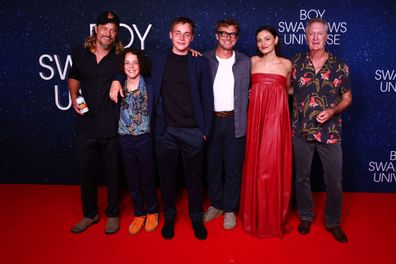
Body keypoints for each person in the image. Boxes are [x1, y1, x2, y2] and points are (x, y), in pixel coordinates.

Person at [110, 17, 213, 240]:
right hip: (165, 131)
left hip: (193, 131)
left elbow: (207, 97)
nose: (182, 38)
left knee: (194, 180)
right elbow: (130, 65)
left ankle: (196, 218)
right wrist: (117, 79)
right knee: (166, 179)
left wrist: (205, 131)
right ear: (170, 35)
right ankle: (169, 217)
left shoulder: (200, 62)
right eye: (178, 33)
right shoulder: (157, 58)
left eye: (187, 34)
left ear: (192, 38)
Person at [291, 18, 352, 243]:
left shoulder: (339, 66)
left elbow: (347, 98)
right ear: (306, 37)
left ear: (327, 36)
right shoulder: (296, 62)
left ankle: (333, 221)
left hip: (330, 133)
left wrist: (333, 110)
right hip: (300, 131)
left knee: (334, 181)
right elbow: (285, 88)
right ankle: (306, 215)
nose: (315, 38)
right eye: (311, 34)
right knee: (301, 178)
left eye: (319, 34)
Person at [68, 11, 123, 234]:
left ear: (116, 33)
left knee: (113, 173)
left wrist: (118, 80)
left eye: (113, 30)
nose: (108, 34)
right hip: (87, 124)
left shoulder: (122, 55)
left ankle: (113, 214)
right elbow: (74, 76)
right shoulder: (79, 54)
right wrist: (73, 97)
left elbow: (141, 68)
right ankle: (90, 214)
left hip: (111, 124)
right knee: (86, 172)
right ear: (96, 29)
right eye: (104, 29)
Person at [239, 25, 292, 238]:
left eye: (267, 38)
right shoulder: (252, 62)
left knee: (270, 164)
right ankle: (255, 213)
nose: (263, 43)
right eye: (259, 39)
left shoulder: (287, 64)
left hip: (277, 120)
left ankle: (271, 215)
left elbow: (289, 90)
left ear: (276, 40)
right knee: (255, 163)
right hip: (256, 119)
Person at [203, 20, 250, 230]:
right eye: (223, 33)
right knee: (213, 166)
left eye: (232, 34)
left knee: (233, 167)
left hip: (235, 121)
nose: (228, 37)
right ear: (216, 36)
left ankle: (230, 207)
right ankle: (217, 204)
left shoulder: (245, 61)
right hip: (211, 121)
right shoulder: (204, 59)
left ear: (236, 38)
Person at [117, 49, 159, 235]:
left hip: (145, 137)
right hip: (124, 138)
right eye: (127, 62)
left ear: (141, 64)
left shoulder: (150, 84)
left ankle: (152, 211)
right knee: (132, 178)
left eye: (135, 62)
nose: (131, 66)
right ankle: (139, 213)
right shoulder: (118, 85)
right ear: (122, 66)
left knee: (147, 176)